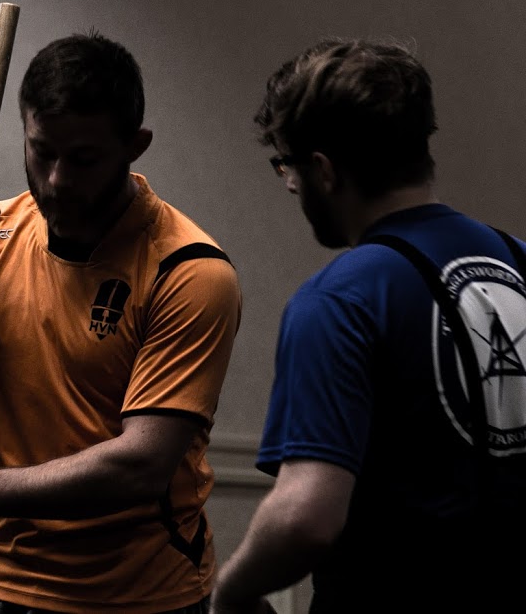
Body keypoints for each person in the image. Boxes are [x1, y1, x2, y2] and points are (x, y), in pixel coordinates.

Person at [0, 32, 243, 614]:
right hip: (3, 582)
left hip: (144, 597)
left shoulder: (188, 269)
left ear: (135, 146)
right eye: (42, 152)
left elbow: (140, 466)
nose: (56, 181)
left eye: (84, 159)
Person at [211, 40, 526, 613]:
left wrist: (232, 594)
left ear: (324, 170)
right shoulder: (518, 262)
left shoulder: (338, 300)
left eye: (288, 165)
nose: (288, 184)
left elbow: (307, 517)